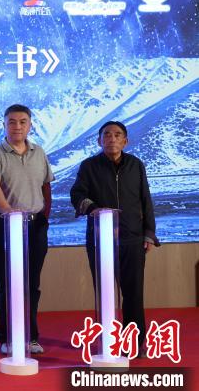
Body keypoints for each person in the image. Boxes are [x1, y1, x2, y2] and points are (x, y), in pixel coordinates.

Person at [70, 120, 159, 355]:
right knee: (105, 292)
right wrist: (93, 209)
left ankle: (135, 343)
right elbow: (77, 194)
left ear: (125, 141)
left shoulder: (136, 165)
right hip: (100, 241)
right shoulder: (89, 166)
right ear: (99, 140)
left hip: (132, 239)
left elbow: (146, 200)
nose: (112, 138)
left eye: (117, 135)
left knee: (133, 293)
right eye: (107, 135)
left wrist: (149, 234)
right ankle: (108, 342)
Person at [0, 104, 53, 355]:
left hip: (35, 226)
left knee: (32, 283)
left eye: (23, 122)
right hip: (4, 225)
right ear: (4, 125)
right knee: (7, 282)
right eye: (12, 122)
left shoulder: (39, 152)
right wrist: (8, 211)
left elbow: (46, 186)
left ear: (30, 125)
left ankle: (31, 336)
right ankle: (9, 337)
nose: (17, 126)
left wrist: (44, 216)